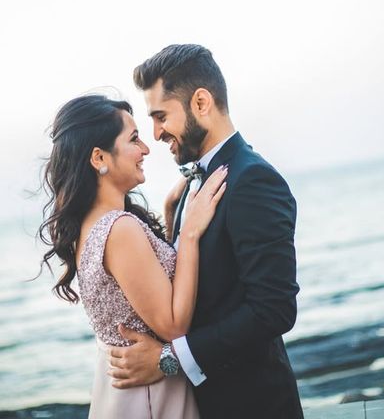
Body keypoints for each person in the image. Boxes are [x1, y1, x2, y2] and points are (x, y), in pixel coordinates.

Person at [108, 44, 304, 419]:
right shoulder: (192, 185)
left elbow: (273, 309)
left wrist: (169, 359)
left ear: (201, 103)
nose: (156, 132)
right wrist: (171, 223)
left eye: (161, 116)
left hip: (252, 405)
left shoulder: (253, 180)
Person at [37, 94, 227, 418]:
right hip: (151, 397)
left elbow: (144, 286)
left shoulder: (90, 226)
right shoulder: (120, 229)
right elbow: (172, 325)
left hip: (125, 397)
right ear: (99, 157)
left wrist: (170, 219)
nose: (146, 149)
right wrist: (190, 234)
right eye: (134, 139)